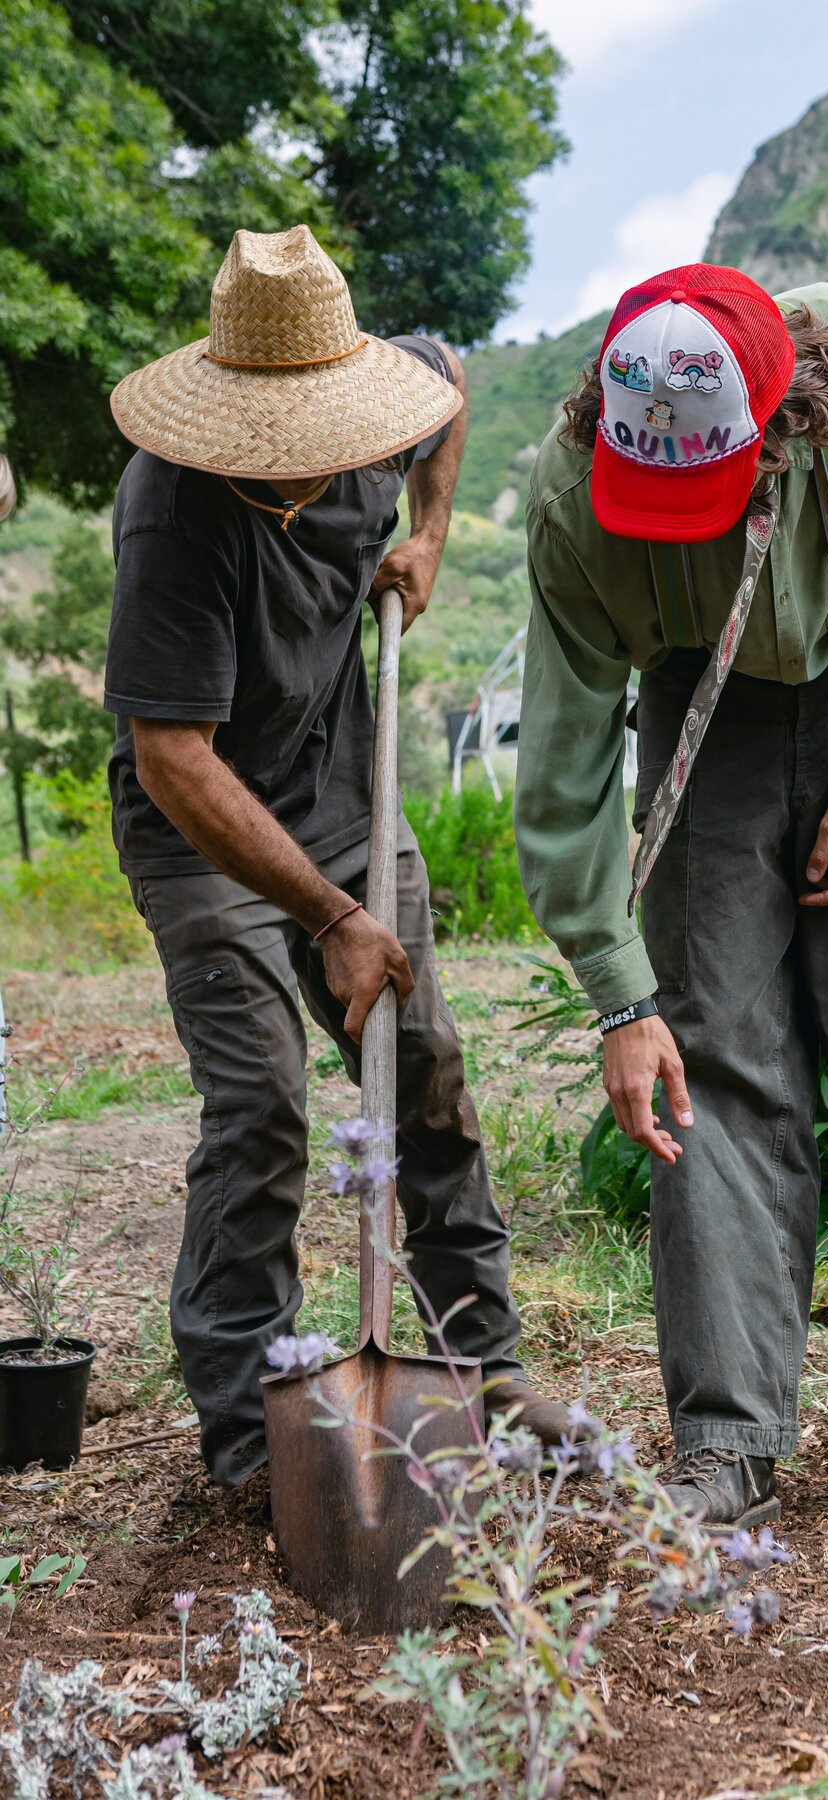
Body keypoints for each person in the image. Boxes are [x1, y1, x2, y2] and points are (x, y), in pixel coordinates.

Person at [513, 263, 828, 1528]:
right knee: (710, 1063)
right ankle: (727, 1442)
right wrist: (621, 999)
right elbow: (566, 771)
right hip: (703, 707)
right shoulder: (573, 508)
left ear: (786, 421)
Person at [103, 223, 567, 1486]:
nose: (321, 461)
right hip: (201, 825)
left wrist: (428, 530)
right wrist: (325, 915)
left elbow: (453, 378)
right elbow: (175, 762)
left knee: (425, 1069)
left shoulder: (377, 423)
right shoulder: (175, 512)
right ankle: (254, 1434)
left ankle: (484, 1367)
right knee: (260, 1100)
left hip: (341, 798)